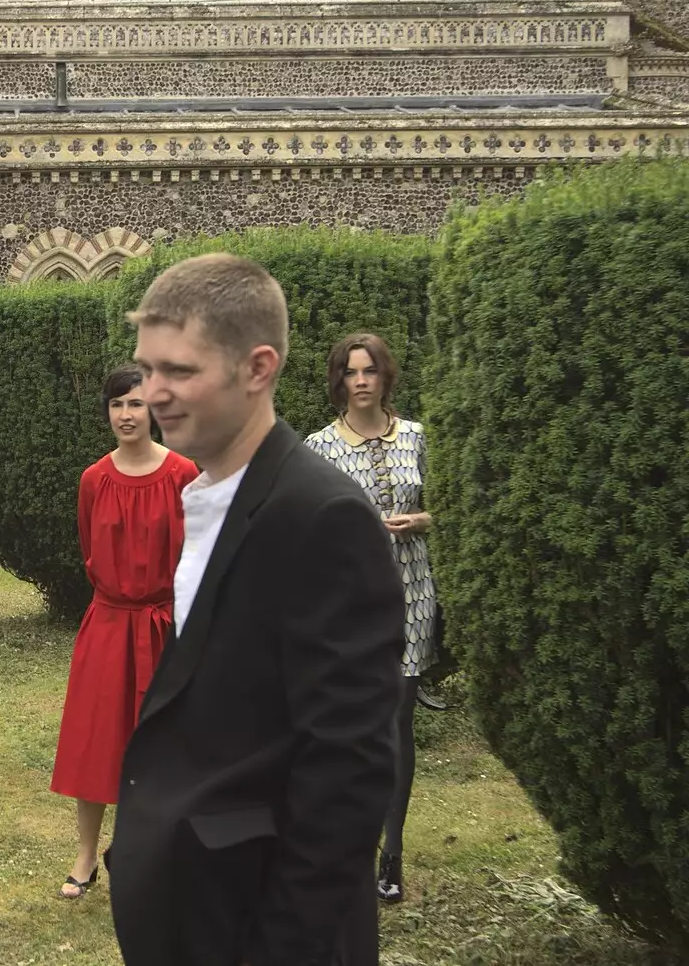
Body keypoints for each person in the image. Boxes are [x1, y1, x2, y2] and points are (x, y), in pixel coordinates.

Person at [108, 253, 405, 966]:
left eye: (179, 371)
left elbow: (347, 776)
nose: (153, 394)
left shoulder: (322, 515)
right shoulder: (208, 495)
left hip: (264, 925)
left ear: (258, 366)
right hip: (203, 905)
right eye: (146, 371)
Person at [49, 364, 197, 899]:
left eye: (136, 404)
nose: (127, 414)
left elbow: (196, 555)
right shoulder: (94, 479)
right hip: (109, 623)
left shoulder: (184, 474)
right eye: (117, 404)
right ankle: (86, 856)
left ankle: (154, 851)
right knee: (96, 741)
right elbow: (90, 545)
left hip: (165, 626)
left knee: (162, 747)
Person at [304, 333, 437, 906]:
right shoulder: (319, 447)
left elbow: (445, 504)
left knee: (394, 727)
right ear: (339, 380)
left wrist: (423, 520)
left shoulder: (417, 438)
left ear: (385, 377)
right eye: (351, 372)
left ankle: (392, 854)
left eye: (370, 371)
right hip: (348, 604)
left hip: (411, 595)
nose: (361, 380)